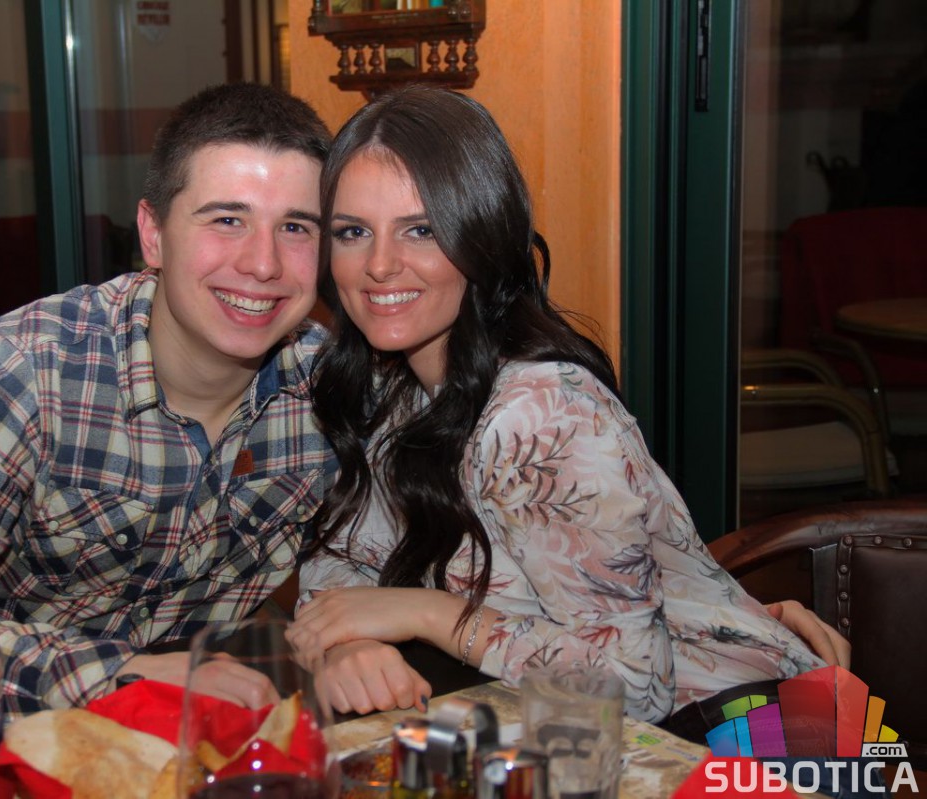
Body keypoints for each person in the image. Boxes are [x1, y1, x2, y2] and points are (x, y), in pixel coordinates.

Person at [287, 85, 847, 726]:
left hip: (755, 733)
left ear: (482, 237)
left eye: (422, 230)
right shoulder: (398, 387)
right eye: (353, 232)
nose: (380, 265)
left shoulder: (540, 411)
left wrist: (429, 613)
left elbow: (634, 688)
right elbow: (342, 562)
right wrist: (350, 643)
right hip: (576, 733)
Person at [0, 82, 336, 715]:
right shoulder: (29, 367)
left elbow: (374, 551)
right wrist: (122, 675)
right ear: (153, 234)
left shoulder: (332, 388)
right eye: (227, 220)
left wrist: (356, 633)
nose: (263, 263)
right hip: (21, 726)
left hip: (201, 727)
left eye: (295, 227)